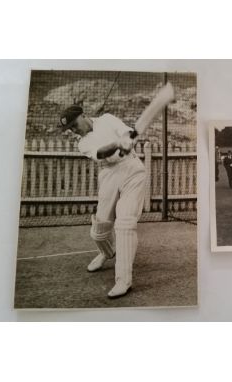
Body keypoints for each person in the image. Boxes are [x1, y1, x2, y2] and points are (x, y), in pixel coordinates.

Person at [59, 104, 146, 298]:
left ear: (83, 115)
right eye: (70, 129)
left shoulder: (107, 118)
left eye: (74, 125)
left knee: (125, 224)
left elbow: (127, 133)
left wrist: (127, 138)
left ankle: (123, 281)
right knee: (100, 232)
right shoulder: (82, 144)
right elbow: (102, 153)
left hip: (133, 169)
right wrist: (117, 144)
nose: (74, 131)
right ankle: (107, 253)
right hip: (109, 174)